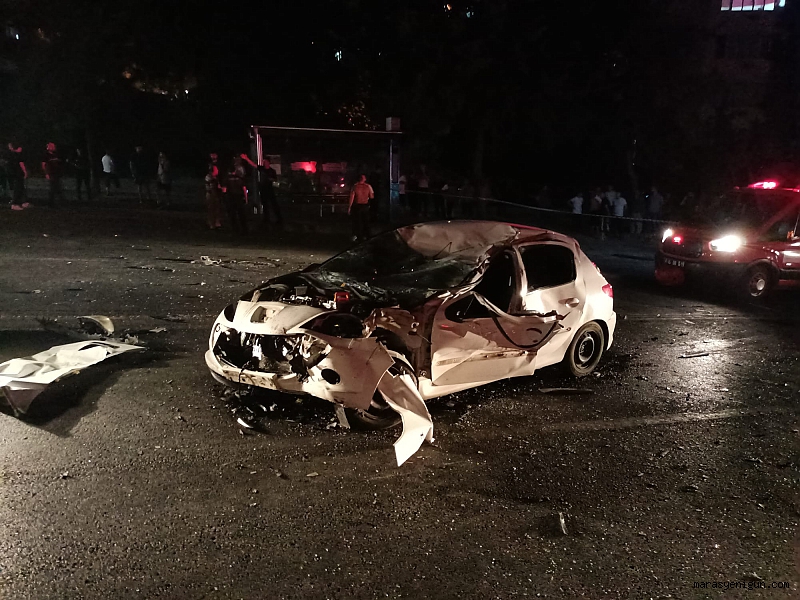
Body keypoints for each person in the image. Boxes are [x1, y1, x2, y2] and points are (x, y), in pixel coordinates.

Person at [241, 154, 282, 229]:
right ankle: (266, 219)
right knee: (265, 205)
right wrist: (246, 158)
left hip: (270, 190)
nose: (264, 163)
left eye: (265, 162)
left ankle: (279, 219)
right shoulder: (262, 169)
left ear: (268, 163)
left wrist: (271, 180)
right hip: (263, 190)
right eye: (264, 162)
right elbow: (253, 165)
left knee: (274, 204)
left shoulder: (272, 171)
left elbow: (275, 180)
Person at [222, 156, 248, 236]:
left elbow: (224, 189)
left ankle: (235, 229)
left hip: (231, 197)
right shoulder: (240, 178)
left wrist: (224, 198)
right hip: (239, 197)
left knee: (232, 214)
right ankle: (244, 229)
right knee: (241, 214)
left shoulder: (227, 178)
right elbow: (244, 189)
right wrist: (246, 198)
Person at [348, 174, 374, 242]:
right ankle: (367, 236)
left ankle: (358, 236)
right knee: (366, 221)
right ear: (365, 179)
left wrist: (349, 207)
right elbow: (372, 196)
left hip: (357, 206)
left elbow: (352, 197)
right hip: (365, 205)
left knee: (357, 221)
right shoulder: (368, 186)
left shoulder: (355, 186)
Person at [7, 142, 28, 210]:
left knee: (20, 187)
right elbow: (21, 163)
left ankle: (21, 202)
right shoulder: (17, 155)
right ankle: (15, 203)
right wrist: (25, 171)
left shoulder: (12, 155)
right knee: (18, 188)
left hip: (14, 173)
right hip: (17, 173)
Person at [205, 155, 222, 230]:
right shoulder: (209, 177)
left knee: (217, 208)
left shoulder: (217, 178)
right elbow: (209, 187)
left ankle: (217, 222)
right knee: (211, 208)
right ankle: (211, 223)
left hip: (216, 193)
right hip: (211, 193)